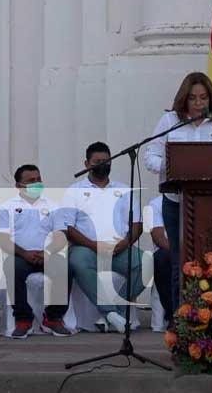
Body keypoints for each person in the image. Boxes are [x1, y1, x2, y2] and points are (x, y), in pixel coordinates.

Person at [144, 72, 212, 313]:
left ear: (211, 98)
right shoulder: (170, 121)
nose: (199, 103)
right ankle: (181, 317)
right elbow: (150, 157)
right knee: (182, 262)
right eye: (193, 98)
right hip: (177, 202)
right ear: (184, 99)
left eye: (203, 97)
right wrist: (173, 167)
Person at [63, 141, 144, 333]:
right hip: (86, 248)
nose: (103, 164)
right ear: (86, 164)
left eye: (107, 161)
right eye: (97, 161)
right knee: (78, 263)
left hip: (119, 248)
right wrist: (94, 245)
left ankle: (114, 313)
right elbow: (68, 228)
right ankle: (111, 313)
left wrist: (124, 243)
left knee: (147, 264)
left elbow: (137, 224)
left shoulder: (124, 189)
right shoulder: (74, 191)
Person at [0, 164, 71, 339]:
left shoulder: (53, 205)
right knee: (12, 268)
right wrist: (25, 254)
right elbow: (2, 239)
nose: (37, 183)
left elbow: (61, 236)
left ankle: (53, 317)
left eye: (38, 179)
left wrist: (47, 252)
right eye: (31, 181)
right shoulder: (7, 207)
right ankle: (23, 320)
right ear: (18, 186)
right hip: (20, 256)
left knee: (66, 267)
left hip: (48, 254)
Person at [148, 195, 172, 329]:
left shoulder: (197, 199)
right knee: (161, 260)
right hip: (168, 249)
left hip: (194, 248)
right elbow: (159, 238)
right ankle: (172, 314)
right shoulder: (155, 203)